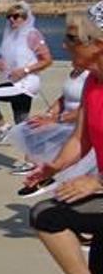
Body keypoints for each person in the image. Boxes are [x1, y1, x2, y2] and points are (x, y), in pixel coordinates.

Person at [25, 5, 103, 274]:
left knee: (47, 216)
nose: (64, 45)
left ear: (98, 43)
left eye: (72, 39)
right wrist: (50, 168)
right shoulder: (92, 84)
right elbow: (80, 139)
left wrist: (96, 182)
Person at [9, 66, 95, 197]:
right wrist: (48, 114)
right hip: (64, 121)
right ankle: (41, 170)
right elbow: (63, 98)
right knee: (30, 127)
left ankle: (47, 176)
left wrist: (57, 119)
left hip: (77, 125)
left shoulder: (93, 75)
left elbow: (90, 109)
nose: (64, 47)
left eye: (72, 44)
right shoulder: (77, 72)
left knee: (76, 173)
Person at [0, 2, 53, 145]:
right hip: (16, 83)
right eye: (9, 17)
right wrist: (2, 64)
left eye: (16, 16)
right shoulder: (12, 37)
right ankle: (32, 161)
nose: (12, 19)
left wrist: (25, 70)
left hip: (26, 84)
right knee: (22, 125)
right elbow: (15, 60)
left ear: (25, 18)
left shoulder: (32, 34)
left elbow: (47, 60)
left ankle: (3, 127)